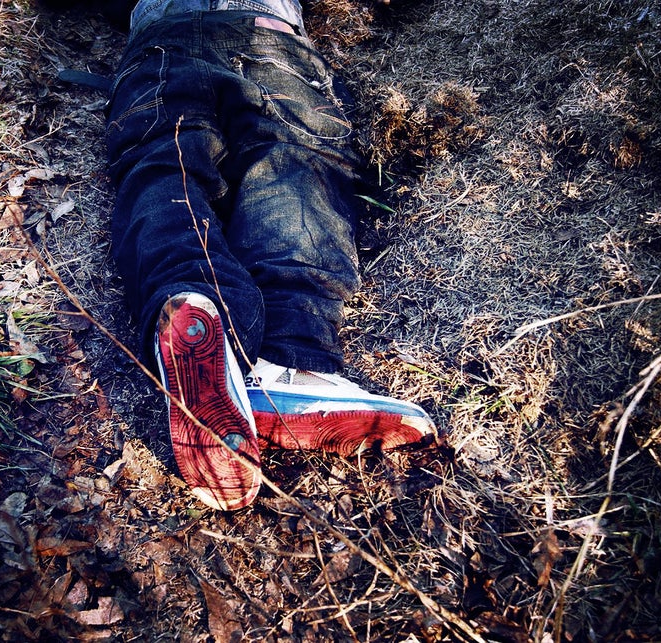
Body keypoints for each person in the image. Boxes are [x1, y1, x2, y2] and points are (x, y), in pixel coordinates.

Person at [104, 0, 435, 511]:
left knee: (164, 166)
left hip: (159, 45)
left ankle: (191, 303)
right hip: (268, 36)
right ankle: (290, 360)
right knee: (294, 161)